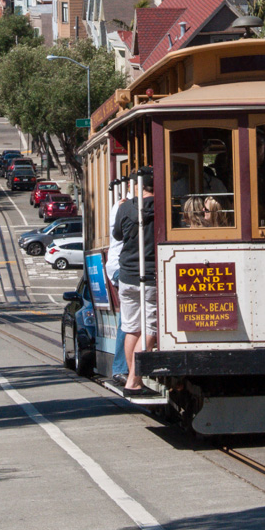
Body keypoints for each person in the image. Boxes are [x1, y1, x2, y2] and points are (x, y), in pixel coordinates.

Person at [113, 167, 157, 397]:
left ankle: (133, 378)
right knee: (151, 329)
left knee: (131, 329)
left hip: (128, 276)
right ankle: (134, 379)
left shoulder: (125, 207)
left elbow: (118, 235)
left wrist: (124, 208)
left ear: (136, 185)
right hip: (150, 277)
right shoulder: (162, 208)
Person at [105, 176, 130, 386]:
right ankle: (121, 368)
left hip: (131, 266)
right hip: (121, 268)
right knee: (129, 314)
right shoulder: (123, 206)